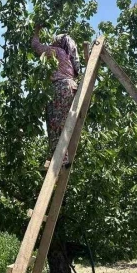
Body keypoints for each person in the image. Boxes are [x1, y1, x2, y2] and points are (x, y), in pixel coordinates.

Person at [32, 23, 82, 166]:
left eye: (54, 41)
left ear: (59, 43)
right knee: (65, 123)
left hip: (60, 88)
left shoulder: (57, 52)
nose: (51, 43)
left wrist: (36, 31)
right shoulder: (68, 57)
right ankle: (62, 156)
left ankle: (59, 158)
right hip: (71, 87)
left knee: (54, 123)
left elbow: (36, 47)